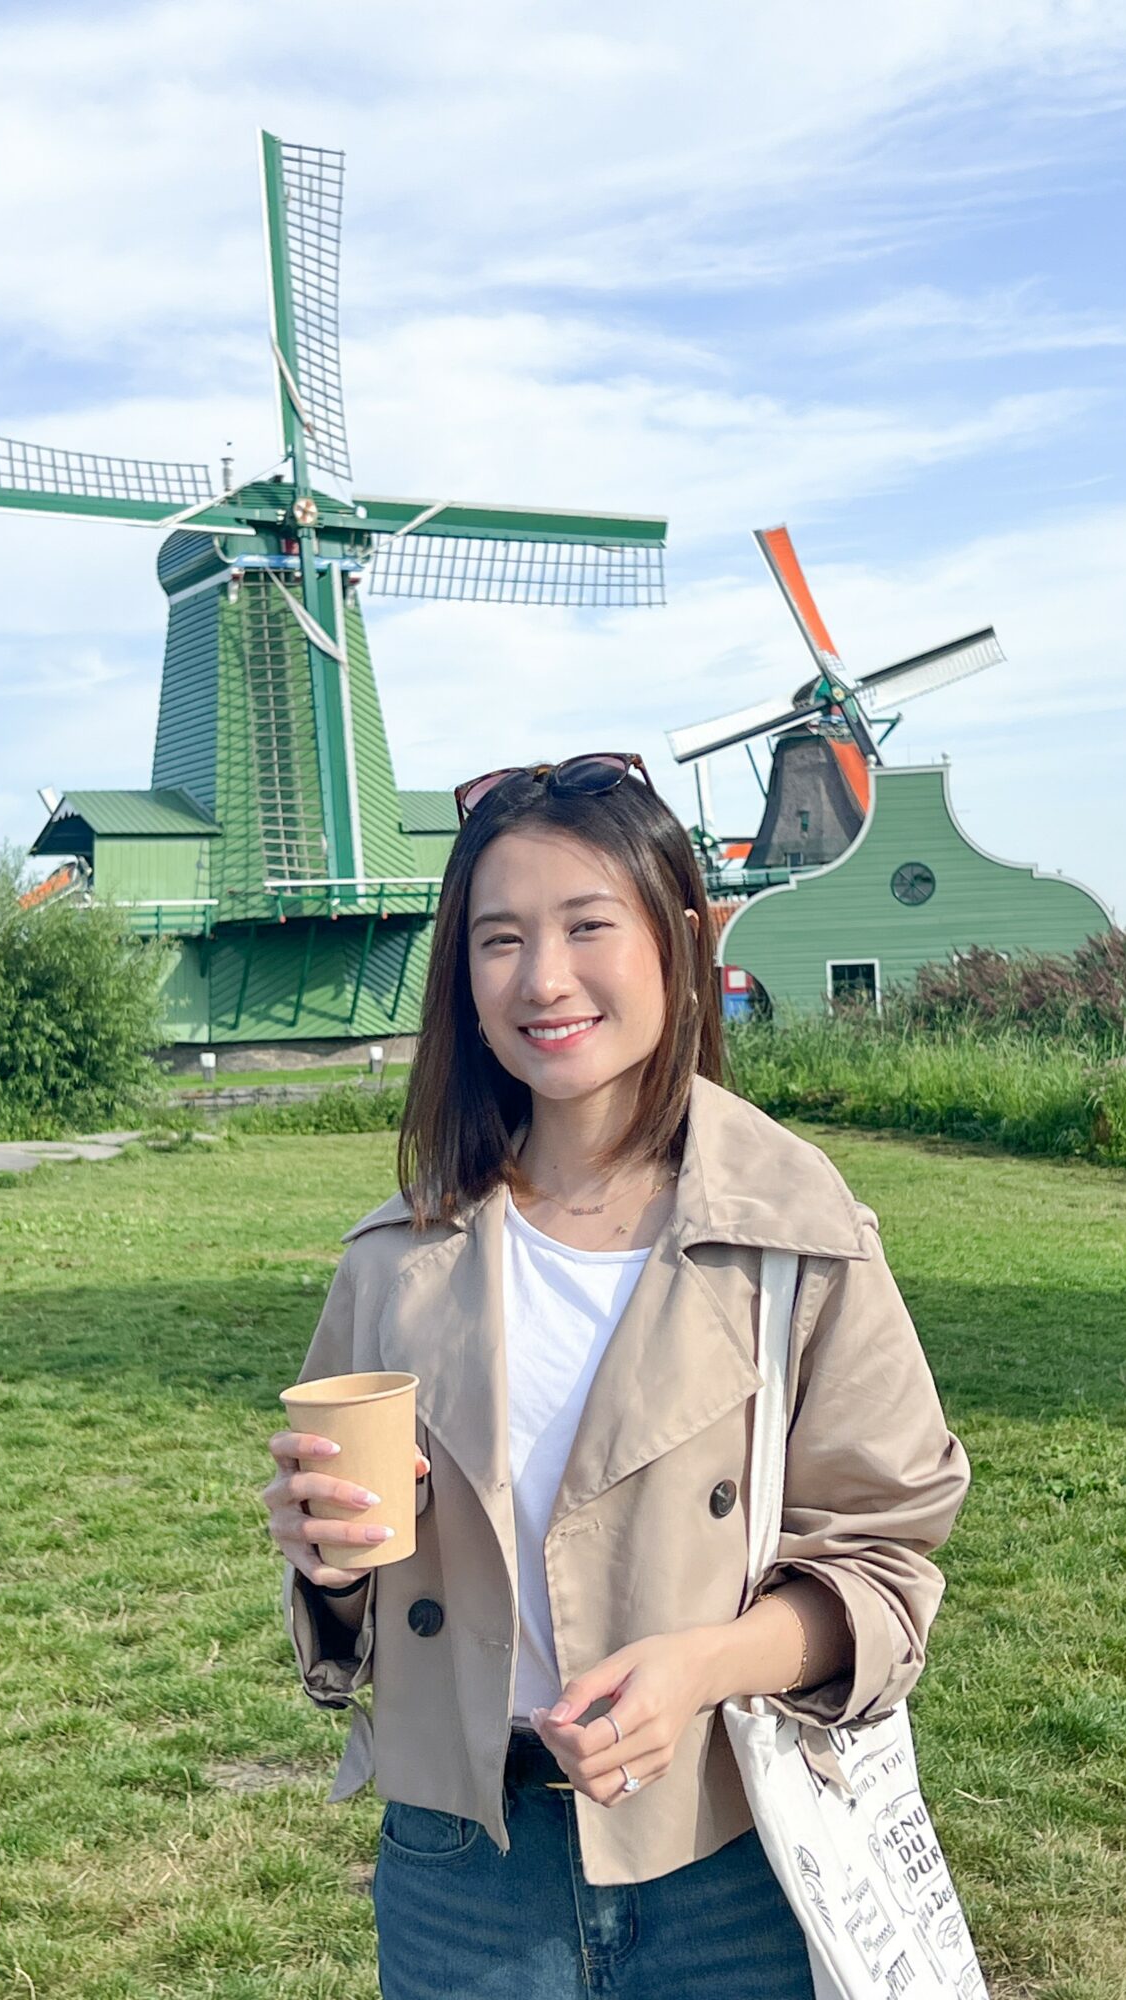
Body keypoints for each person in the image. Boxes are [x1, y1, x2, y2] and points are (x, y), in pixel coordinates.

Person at [261, 752, 972, 1999]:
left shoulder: (796, 1234)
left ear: (680, 939)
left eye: (588, 925)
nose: (543, 977)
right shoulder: (393, 1260)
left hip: (729, 1856)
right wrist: (326, 1561)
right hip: (464, 1868)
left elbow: (885, 1564)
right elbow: (352, 1597)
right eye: (499, 938)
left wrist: (702, 1664)